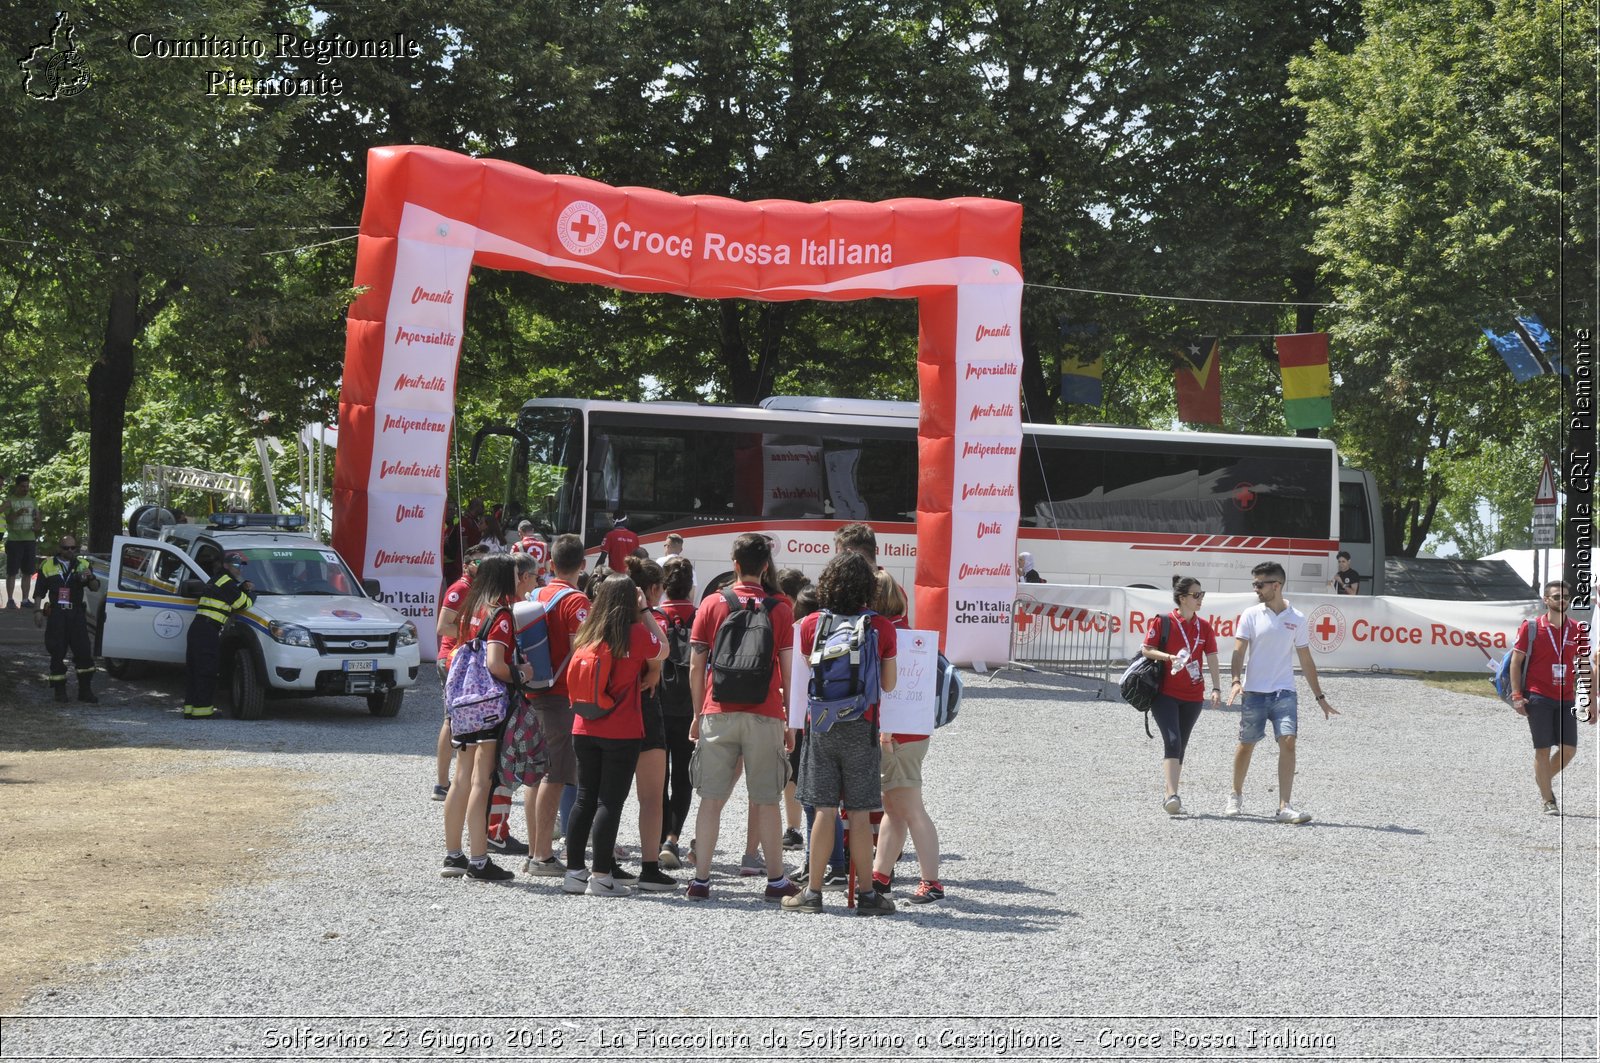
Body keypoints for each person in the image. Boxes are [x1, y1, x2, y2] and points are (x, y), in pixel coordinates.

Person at [684, 532, 800, 902]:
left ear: (735, 564)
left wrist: (697, 713)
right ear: (766, 566)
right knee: (766, 798)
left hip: (718, 710)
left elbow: (695, 664)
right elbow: (788, 669)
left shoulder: (713, 605)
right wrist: (789, 718)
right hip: (764, 713)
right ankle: (776, 880)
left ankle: (701, 880)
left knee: (711, 799)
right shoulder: (780, 607)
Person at [781, 552, 898, 915]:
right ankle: (867, 895)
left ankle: (812, 893)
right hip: (862, 727)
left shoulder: (811, 624)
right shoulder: (882, 627)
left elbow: (805, 678)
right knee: (860, 815)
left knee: (823, 811)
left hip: (822, 727)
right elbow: (889, 684)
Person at [562, 574, 667, 897]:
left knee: (585, 799)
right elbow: (663, 648)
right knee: (611, 801)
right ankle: (601, 876)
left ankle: (574, 872)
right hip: (621, 729)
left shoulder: (587, 633)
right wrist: (646, 609)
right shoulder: (634, 634)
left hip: (584, 725)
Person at [1224, 562, 1338, 822]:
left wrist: (1320, 697)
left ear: (1276, 585)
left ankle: (1284, 806)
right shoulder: (1250, 614)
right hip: (1254, 692)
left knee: (1288, 742)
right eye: (1254, 584)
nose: (1256, 589)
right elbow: (1238, 650)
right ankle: (1235, 794)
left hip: (1284, 691)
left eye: (1260, 584)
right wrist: (1234, 680)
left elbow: (1306, 661)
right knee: (1246, 744)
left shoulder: (1296, 618)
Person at [440, 555, 528, 882]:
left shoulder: (473, 608)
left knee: (460, 778)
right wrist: (521, 673)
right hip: (487, 704)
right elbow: (495, 664)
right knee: (482, 780)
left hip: (464, 701)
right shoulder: (500, 614)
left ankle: (453, 855)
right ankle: (479, 860)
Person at [866, 568, 945, 904]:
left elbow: (888, 691)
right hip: (911, 732)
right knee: (896, 808)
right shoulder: (908, 634)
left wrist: (885, 732)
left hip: (895, 734)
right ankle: (881, 876)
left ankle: (931, 882)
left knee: (909, 808)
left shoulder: (886, 636)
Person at [523, 534, 592, 877]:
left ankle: (536, 849)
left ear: (549, 564)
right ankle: (543, 856)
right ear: (583, 565)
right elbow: (582, 652)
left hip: (531, 691)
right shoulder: (576, 601)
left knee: (537, 775)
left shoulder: (535, 593)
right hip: (559, 695)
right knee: (556, 773)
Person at [1509, 580, 1594, 815]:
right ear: (1546, 600)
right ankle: (1548, 800)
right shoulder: (1532, 627)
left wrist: (1592, 700)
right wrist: (1517, 695)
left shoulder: (1578, 629)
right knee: (1543, 750)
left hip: (1566, 696)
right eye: (1556, 596)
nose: (1562, 600)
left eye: (1566, 596)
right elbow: (1516, 662)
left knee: (1569, 750)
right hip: (1538, 696)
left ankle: (1542, 777)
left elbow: (1585, 665)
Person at [1140, 576, 1223, 815]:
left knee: (1181, 745)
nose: (1200, 599)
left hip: (1194, 695)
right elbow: (1146, 650)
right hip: (1164, 692)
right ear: (1182, 598)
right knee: (1173, 741)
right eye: (1196, 595)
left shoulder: (1204, 626)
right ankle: (1171, 796)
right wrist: (1169, 657)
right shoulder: (1163, 621)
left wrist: (1217, 688)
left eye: (1201, 594)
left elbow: (1213, 657)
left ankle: (1171, 793)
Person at [625, 556, 677, 891]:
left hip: (610, 708)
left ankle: (603, 864)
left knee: (608, 794)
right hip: (644, 708)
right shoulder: (650, 618)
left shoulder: (608, 618)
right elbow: (661, 651)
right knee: (651, 796)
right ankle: (649, 865)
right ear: (654, 589)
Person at [432, 542, 493, 800]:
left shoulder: (477, 589)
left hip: (466, 659)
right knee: (450, 720)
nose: (482, 566)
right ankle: (442, 784)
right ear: (467, 563)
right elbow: (443, 626)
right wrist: (474, 633)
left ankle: (457, 781)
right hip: (452, 659)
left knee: (462, 720)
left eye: (485, 562)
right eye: (478, 562)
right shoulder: (459, 589)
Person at [655, 556, 697, 869]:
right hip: (690, 707)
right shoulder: (699, 617)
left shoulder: (654, 617)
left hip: (657, 704)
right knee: (683, 778)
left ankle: (657, 839)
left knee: (658, 776)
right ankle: (673, 837)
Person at [183, 552, 254, 719]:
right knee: (207, 670)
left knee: (195, 670)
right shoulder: (226, 583)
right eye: (235, 565)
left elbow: (228, 593)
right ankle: (203, 711)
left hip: (199, 629)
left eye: (240, 565)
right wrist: (251, 593)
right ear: (226, 565)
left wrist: (241, 588)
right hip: (207, 631)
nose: (238, 569)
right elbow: (242, 603)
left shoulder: (219, 580)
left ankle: (190, 709)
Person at [34, 534, 100, 703]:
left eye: (73, 548)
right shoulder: (47, 565)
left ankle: (85, 691)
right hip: (57, 614)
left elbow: (94, 587)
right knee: (57, 652)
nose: (70, 551)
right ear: (59, 548)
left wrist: (90, 577)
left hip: (76, 614)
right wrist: (37, 611)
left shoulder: (83, 565)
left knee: (84, 652)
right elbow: (39, 591)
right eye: (66, 548)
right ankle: (59, 691)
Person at [6, 474, 40, 609]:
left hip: (29, 540)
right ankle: (10, 599)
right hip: (15, 540)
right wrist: (18, 513)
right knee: (12, 572)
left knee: (28, 572)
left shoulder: (33, 501)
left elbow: (38, 520)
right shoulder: (10, 501)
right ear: (17, 486)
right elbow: (8, 519)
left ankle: (25, 600)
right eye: (23, 487)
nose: (26, 489)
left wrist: (37, 524)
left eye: (27, 486)